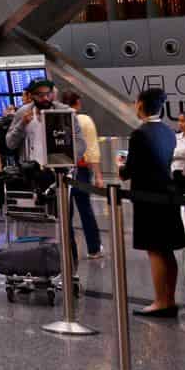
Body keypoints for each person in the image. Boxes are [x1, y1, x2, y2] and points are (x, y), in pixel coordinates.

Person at [119, 87, 184, 318]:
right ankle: (170, 299)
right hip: (167, 195)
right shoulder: (168, 131)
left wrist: (122, 169)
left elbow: (131, 169)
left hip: (148, 198)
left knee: (155, 250)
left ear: (140, 104)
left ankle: (160, 301)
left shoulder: (140, 133)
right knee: (167, 250)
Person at [61, 91, 103, 259]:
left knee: (66, 213)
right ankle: (94, 248)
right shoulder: (84, 120)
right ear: (77, 103)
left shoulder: (56, 119)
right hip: (81, 171)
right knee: (85, 209)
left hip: (61, 170)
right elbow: (91, 149)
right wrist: (99, 176)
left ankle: (69, 250)